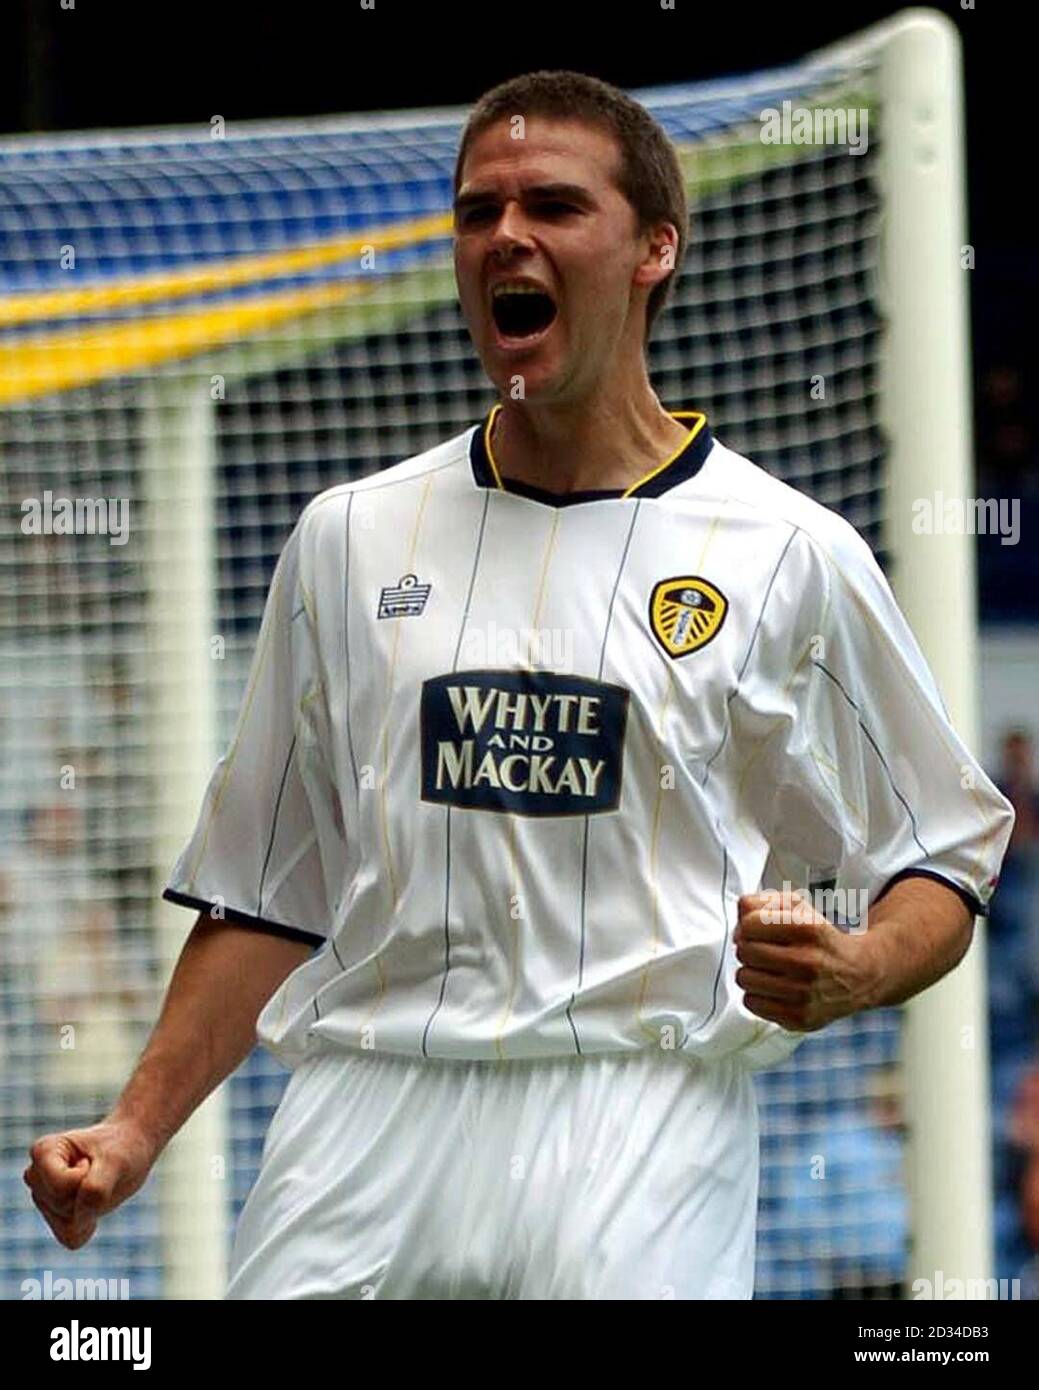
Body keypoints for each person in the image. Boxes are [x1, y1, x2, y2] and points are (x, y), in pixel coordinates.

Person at [25, 71, 1015, 1300]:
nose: (506, 236)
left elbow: (946, 844)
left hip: (635, 1114)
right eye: (476, 210)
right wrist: (133, 1129)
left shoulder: (790, 553)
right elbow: (268, 891)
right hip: (365, 1118)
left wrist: (862, 968)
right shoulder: (346, 537)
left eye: (552, 204)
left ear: (656, 246)